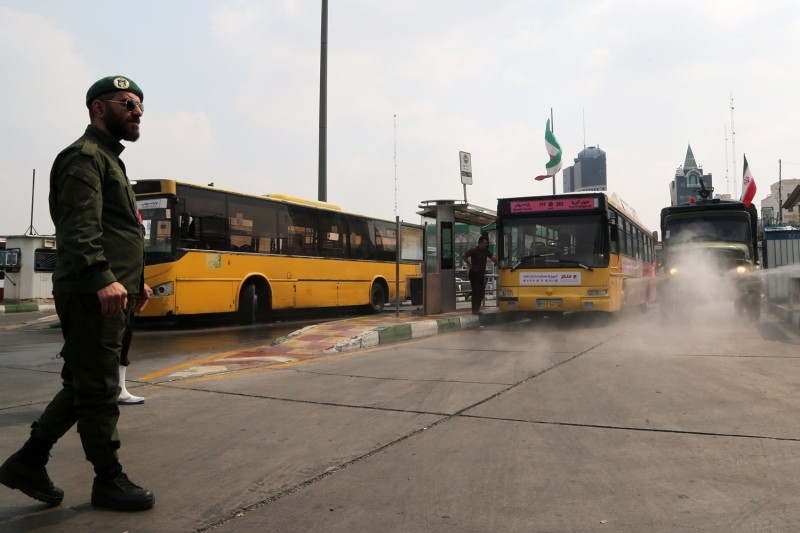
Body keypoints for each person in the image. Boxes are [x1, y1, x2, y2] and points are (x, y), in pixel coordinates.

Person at [0, 75, 155, 511]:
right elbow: (80, 228)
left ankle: (28, 461)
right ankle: (108, 479)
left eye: (141, 105)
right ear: (99, 108)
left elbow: (117, 232)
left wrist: (132, 278)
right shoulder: (83, 158)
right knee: (101, 386)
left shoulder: (111, 161)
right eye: (128, 103)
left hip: (110, 290)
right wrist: (103, 277)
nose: (138, 111)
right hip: (93, 293)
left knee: (82, 382)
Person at [463, 235, 500, 315]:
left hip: (481, 274)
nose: (486, 244)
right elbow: (464, 256)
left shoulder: (486, 251)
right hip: (474, 273)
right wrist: (469, 264)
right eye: (484, 243)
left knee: (482, 292)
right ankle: (475, 310)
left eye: (486, 243)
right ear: (479, 243)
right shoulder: (474, 250)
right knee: (476, 291)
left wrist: (499, 265)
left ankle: (477, 308)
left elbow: (492, 258)